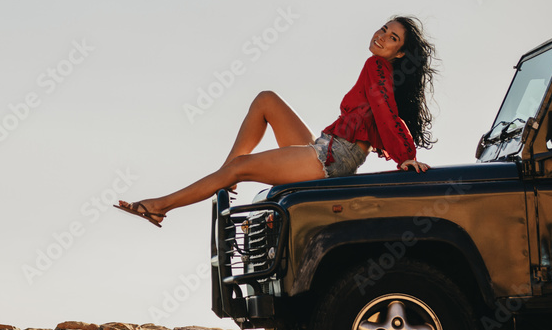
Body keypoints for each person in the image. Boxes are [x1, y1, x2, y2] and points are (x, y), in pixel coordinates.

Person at [115, 16, 437, 228]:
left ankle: (162, 205)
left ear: (398, 53)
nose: (381, 36)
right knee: (265, 100)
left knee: (241, 164)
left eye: (392, 37)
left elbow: (385, 113)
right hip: (327, 148)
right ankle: (226, 177)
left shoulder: (377, 67)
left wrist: (407, 156)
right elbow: (384, 114)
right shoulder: (380, 69)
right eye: (383, 29)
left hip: (331, 158)